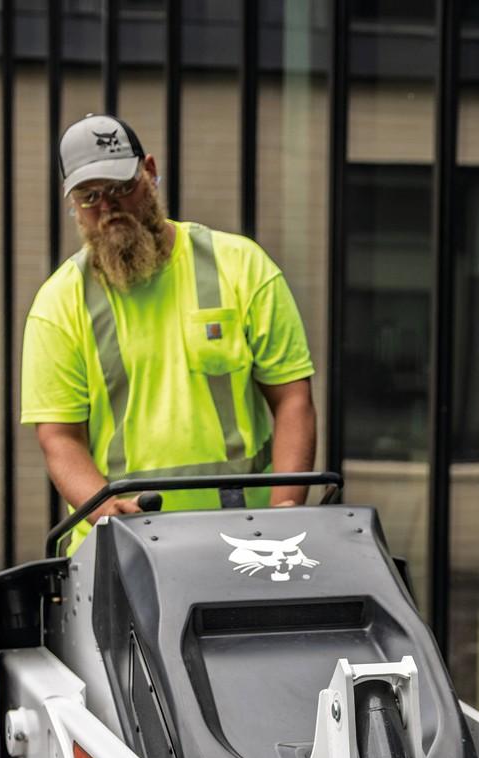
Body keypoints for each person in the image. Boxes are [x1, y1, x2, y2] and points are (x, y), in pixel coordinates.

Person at [21, 114, 317, 535]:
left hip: (244, 534)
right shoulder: (59, 304)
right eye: (89, 197)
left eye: (122, 188)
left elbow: (292, 399)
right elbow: (59, 438)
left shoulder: (241, 267)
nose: (108, 208)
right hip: (124, 544)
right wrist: (106, 511)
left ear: (151, 173)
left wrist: (286, 509)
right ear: (72, 204)